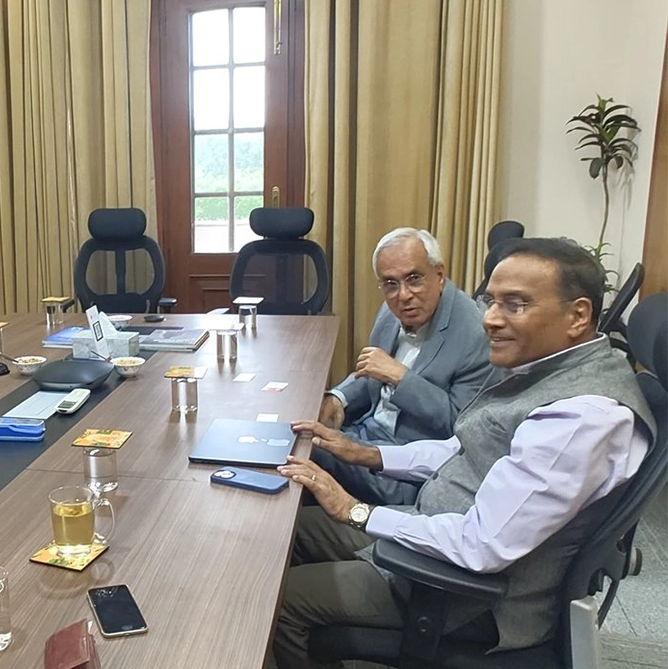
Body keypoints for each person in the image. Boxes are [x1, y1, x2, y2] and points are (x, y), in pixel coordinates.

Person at [274, 238, 655, 667]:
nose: (490, 319)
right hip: (434, 528)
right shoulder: (547, 368)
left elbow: (481, 547)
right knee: (288, 533)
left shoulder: (582, 418)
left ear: (578, 315)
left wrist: (356, 511)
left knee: (279, 604)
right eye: (491, 301)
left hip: (463, 595)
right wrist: (366, 454)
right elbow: (462, 447)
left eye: (515, 304)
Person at [317, 228, 491, 505]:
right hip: (364, 433)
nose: (404, 295)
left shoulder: (474, 334)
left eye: (414, 279)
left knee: (302, 448)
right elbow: (373, 369)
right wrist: (338, 398)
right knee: (297, 432)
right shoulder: (393, 309)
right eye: (390, 283)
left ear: (439, 275)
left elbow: (459, 426)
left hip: (404, 468)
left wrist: (401, 378)